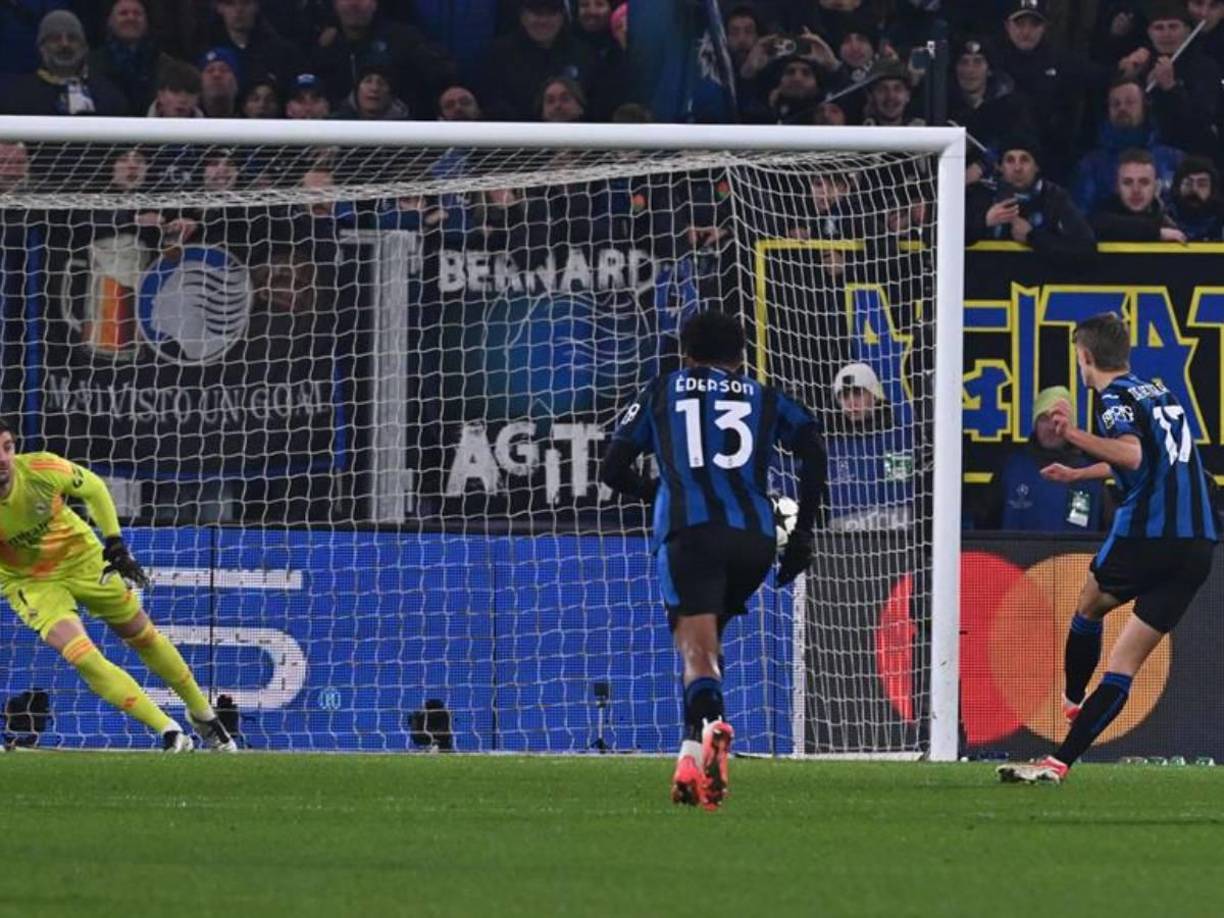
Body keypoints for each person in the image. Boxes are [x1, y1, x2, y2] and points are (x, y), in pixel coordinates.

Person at [600, 311, 826, 809]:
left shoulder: (663, 390)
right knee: (709, 640)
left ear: (686, 353)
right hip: (755, 540)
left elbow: (612, 468)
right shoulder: (763, 396)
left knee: (694, 650)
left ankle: (712, 727)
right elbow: (812, 445)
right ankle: (687, 760)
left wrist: (653, 489)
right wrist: (804, 530)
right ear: (742, 357)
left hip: (692, 532)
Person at [998, 313, 1218, 784]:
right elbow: (1151, 463)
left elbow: (1132, 454)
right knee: (1125, 663)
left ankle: (1074, 699)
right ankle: (1058, 765)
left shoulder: (1112, 397)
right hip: (1197, 544)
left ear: (1085, 357)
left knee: (1088, 605)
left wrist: (1071, 436)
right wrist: (1078, 474)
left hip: (1149, 536)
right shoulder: (1160, 393)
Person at [0, 421, 236, 752]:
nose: (2, 458)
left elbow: (94, 487)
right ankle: (169, 730)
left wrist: (114, 542)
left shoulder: (40, 468)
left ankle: (202, 713)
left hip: (84, 559)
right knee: (82, 656)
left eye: (7, 447)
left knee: (143, 636)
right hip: (31, 582)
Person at [983, 386, 1108, 532]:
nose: (1050, 427)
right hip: (1019, 555)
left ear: (1070, 426)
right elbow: (984, 526)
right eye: (1043, 419)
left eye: (1058, 421)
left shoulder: (1089, 475)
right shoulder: (1010, 469)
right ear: (1035, 425)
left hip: (1074, 555)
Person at [966, 134, 1097, 266]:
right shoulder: (984, 195)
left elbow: (1086, 249)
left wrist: (1033, 237)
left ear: (1036, 167)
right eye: (1010, 160)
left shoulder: (1054, 197)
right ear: (1000, 167)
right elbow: (949, 241)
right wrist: (984, 222)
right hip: (987, 281)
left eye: (1024, 160)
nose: (1017, 168)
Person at [823, 361, 915, 533]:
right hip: (840, 545)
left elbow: (900, 492)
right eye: (844, 396)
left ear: (873, 394)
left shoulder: (897, 438)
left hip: (889, 540)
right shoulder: (831, 444)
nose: (851, 402)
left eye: (858, 393)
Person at [1071, 79, 1184, 216]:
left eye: (1130, 102)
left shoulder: (1173, 159)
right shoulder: (1091, 165)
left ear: (1144, 106)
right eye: (1115, 104)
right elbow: (1082, 220)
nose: (1122, 108)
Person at [0, 10, 130, 116]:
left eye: (72, 38)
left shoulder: (109, 94)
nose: (65, 44)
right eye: (55, 39)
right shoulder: (16, 94)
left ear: (85, 47)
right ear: (41, 47)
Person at [1089, 147, 1187, 242]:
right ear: (1117, 187)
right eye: (1128, 182)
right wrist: (1156, 233)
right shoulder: (1100, 218)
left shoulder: (1170, 221)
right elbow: (1102, 225)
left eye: (1144, 182)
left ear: (1156, 187)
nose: (1136, 190)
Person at [1167, 155, 1224, 240]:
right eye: (1188, 184)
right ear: (1178, 187)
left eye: (1202, 185)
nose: (1194, 189)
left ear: (1212, 190)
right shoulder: (1163, 217)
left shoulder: (1221, 222)